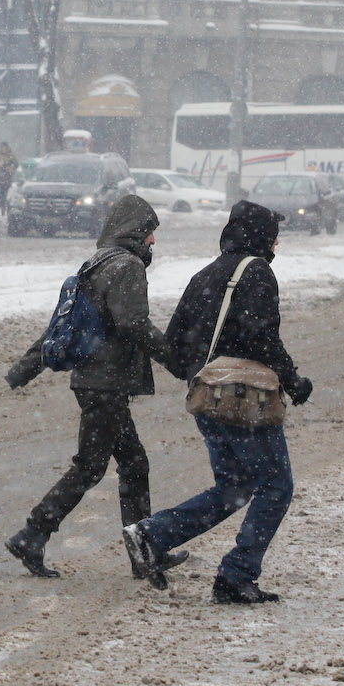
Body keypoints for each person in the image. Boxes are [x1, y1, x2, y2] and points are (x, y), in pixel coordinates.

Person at [122, 201, 314, 603]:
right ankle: (236, 576)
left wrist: (203, 373)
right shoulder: (257, 271)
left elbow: (173, 345)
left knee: (235, 488)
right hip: (245, 401)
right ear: (260, 235)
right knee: (276, 486)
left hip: (209, 399)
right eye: (274, 234)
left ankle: (151, 534)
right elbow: (263, 337)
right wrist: (293, 380)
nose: (277, 242)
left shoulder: (204, 274)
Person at [4, 195, 189, 579]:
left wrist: (24, 368)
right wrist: (178, 363)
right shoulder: (128, 266)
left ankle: (144, 553)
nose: (153, 240)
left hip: (92, 380)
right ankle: (33, 534)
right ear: (135, 230)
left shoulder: (96, 263)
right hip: (106, 383)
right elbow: (133, 324)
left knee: (131, 464)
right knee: (92, 467)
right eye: (151, 231)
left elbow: (61, 325)